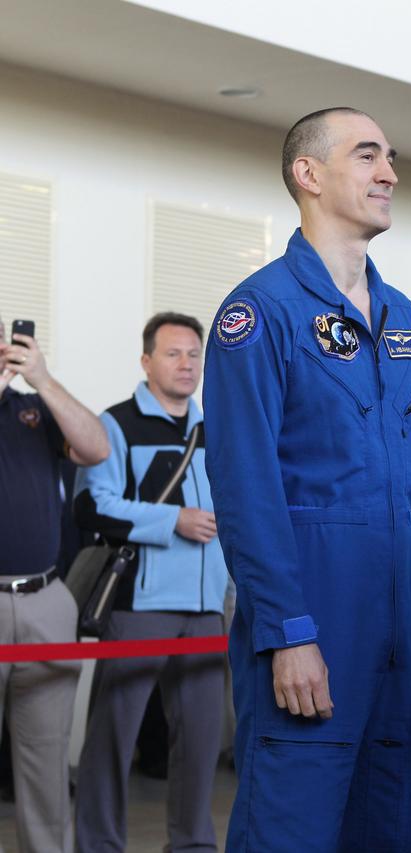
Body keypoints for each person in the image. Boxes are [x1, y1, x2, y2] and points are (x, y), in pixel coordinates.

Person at [203, 107, 411, 851]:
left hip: (400, 641)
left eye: (390, 156)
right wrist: (288, 632)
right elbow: (245, 488)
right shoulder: (260, 313)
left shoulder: (403, 319)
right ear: (308, 174)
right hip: (313, 628)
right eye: (367, 155)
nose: (389, 173)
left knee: (389, 830)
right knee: (291, 827)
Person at [73, 313, 227, 853]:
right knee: (113, 739)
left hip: (209, 610)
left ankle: (193, 845)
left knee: (202, 742)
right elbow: (92, 506)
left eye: (194, 355)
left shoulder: (220, 428)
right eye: (172, 354)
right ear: (146, 361)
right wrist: (172, 522)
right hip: (141, 604)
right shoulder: (115, 425)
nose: (186, 365)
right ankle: (98, 844)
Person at [0, 317, 107, 853]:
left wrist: (42, 380)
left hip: (44, 600)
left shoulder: (34, 411)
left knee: (45, 759)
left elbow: (97, 448)